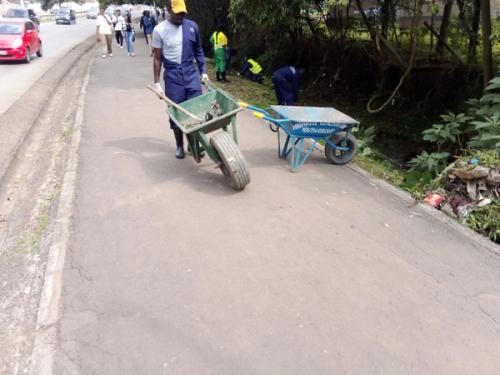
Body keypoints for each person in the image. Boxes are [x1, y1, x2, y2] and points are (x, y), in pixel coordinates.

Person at [152, 0, 209, 159]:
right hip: (172, 75)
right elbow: (157, 58)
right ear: (169, 10)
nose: (181, 16)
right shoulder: (160, 30)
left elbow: (198, 50)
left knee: (196, 108)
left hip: (190, 72)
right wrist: (157, 83)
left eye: (183, 12)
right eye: (177, 13)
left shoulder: (192, 26)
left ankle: (194, 144)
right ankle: (179, 145)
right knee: (177, 112)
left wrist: (203, 71)